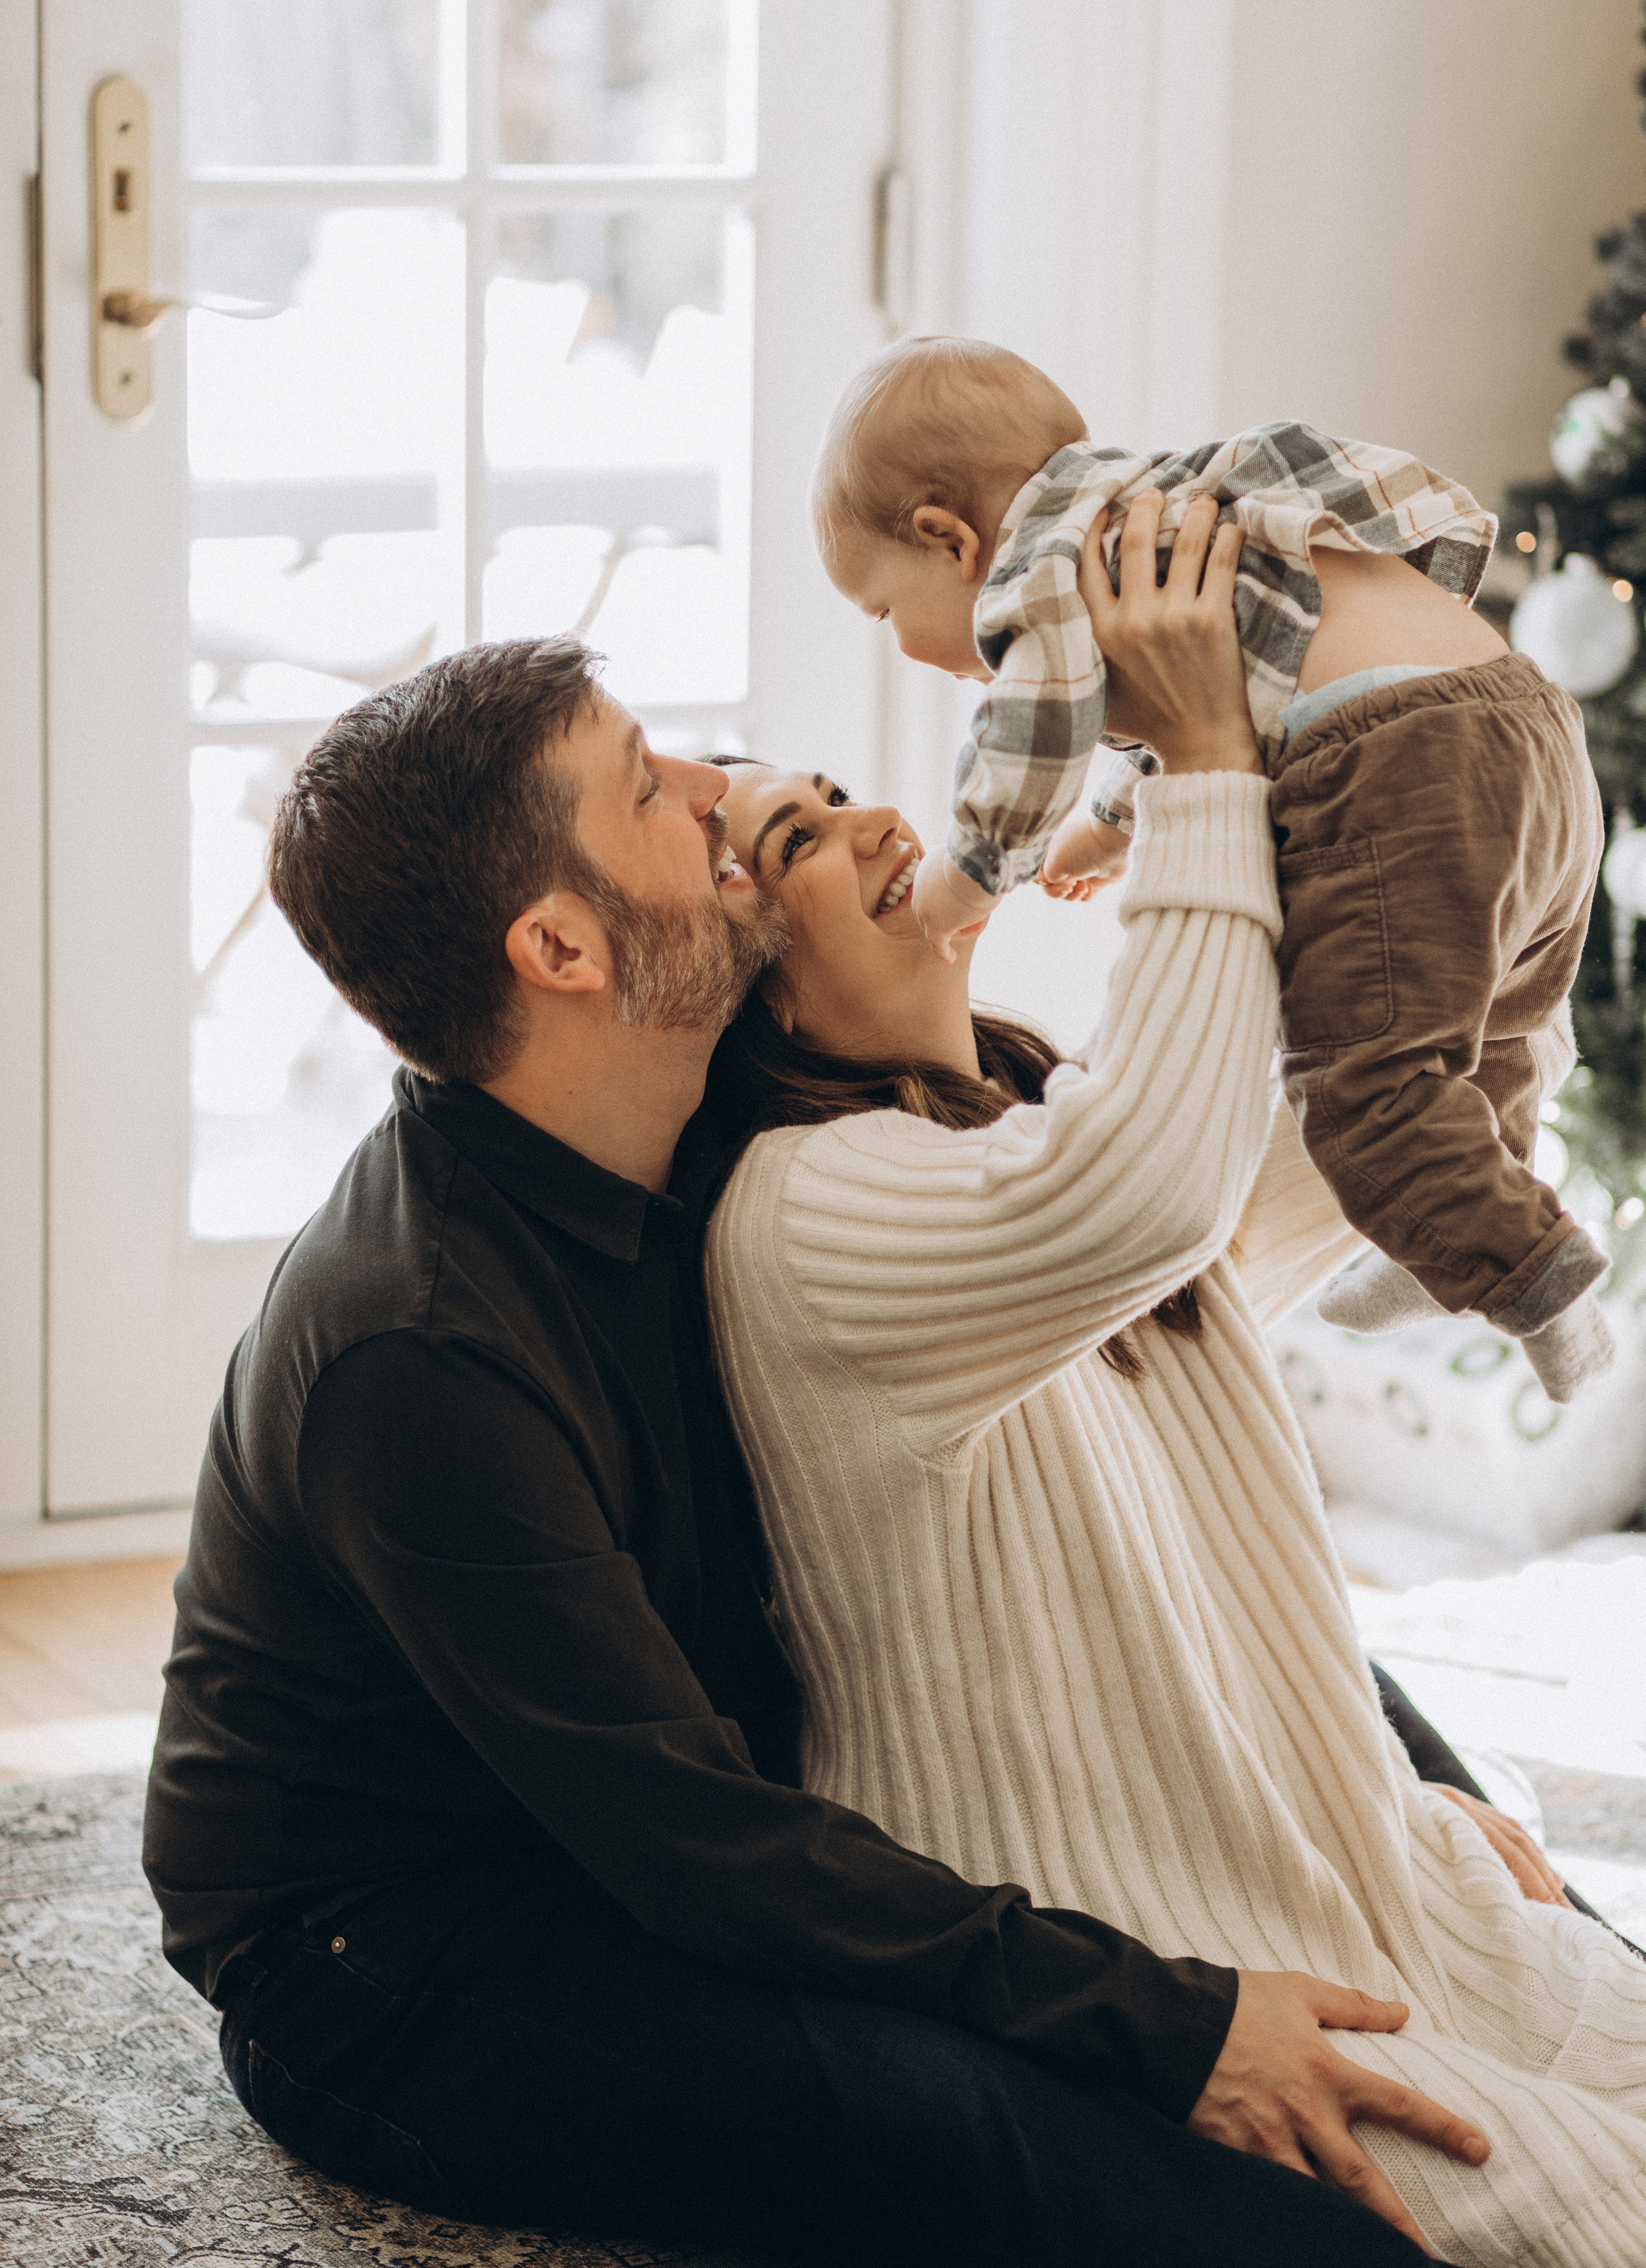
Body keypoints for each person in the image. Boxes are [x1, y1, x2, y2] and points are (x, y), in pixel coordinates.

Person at [143, 627, 1490, 2268]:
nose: (715, 799)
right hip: (415, 1937)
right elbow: (688, 1841)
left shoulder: (719, 1123)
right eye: (652, 786)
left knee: (1471, 1966)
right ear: (561, 944)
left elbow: (1165, 1501)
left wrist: (1417, 1794)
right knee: (1061, 2149)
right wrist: (1171, 2021)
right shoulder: (416, 1348)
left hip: (694, 1801)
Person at [702, 493, 1646, 2268]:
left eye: (831, 788)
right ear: (758, 997)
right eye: (797, 841)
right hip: (1160, 1973)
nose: (883, 820)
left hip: (1356, 1880)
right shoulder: (801, 1215)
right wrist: (1204, 759)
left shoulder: (1025, 1133)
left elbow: (1412, 1108)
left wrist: (1453, 739)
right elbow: (1158, 1180)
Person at [811, 336, 1609, 1402]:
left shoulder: (1032, 574)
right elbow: (1231, 678)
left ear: (948, 539)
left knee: (1367, 1087)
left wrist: (964, 885)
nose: (904, 641)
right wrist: (1112, 824)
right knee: (1491, 1028)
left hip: (1400, 767)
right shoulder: (1157, 508)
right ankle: (1444, 1242)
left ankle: (1538, 1284)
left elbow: (1030, 733)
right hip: (1525, 714)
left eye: (883, 610)